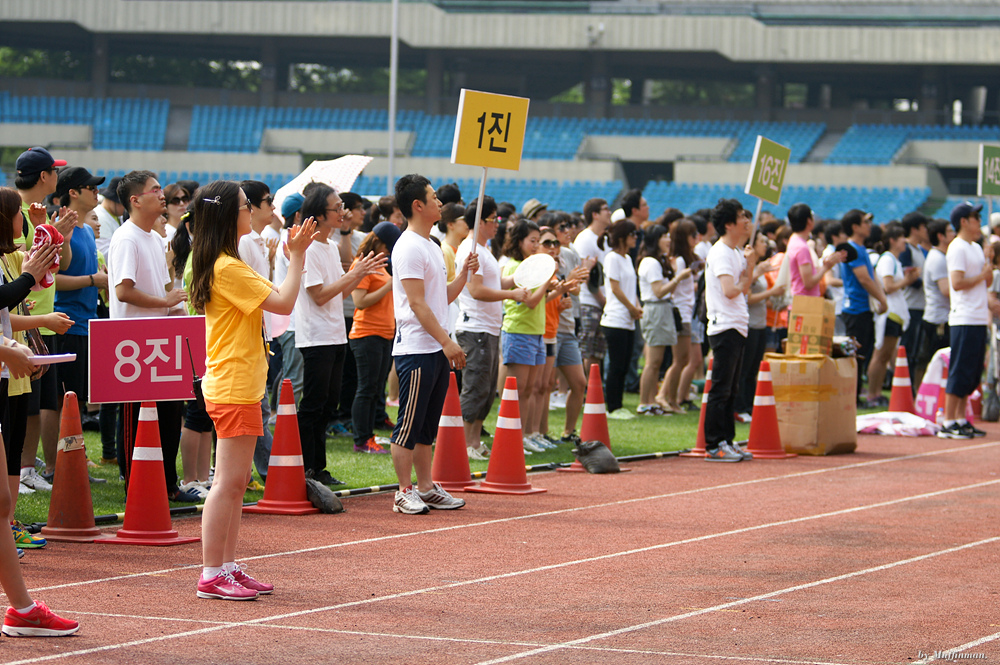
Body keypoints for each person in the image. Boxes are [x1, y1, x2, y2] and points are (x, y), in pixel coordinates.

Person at [191, 180, 318, 600]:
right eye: (246, 205)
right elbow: (283, 302)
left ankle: (226, 566)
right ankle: (211, 572)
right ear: (229, 214)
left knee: (237, 480)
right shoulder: (226, 266)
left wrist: (291, 257)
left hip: (240, 381)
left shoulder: (227, 261)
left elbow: (274, 299)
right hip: (232, 382)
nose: (251, 211)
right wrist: (297, 257)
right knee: (228, 482)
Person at [109, 171, 197, 502]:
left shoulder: (155, 238)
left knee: (169, 416)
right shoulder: (127, 238)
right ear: (135, 200)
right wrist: (165, 302)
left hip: (160, 340)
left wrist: (176, 310)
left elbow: (163, 289)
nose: (162, 195)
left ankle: (168, 484)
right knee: (139, 418)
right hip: (134, 345)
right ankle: (138, 488)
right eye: (155, 190)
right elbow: (123, 291)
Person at [389, 174, 475, 514]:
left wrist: (463, 275)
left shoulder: (432, 245)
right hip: (416, 348)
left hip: (435, 348)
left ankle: (425, 487)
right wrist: (446, 341)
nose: (440, 202)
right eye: (434, 197)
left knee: (426, 426)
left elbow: (442, 297)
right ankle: (403, 491)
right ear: (417, 205)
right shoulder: (409, 246)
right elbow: (416, 303)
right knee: (408, 425)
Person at [295, 185, 385, 486]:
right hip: (316, 336)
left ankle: (318, 468)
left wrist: (358, 274)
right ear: (319, 215)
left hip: (335, 335)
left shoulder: (331, 247)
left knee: (328, 405)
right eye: (337, 208)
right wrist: (353, 275)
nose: (343, 213)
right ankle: (305, 468)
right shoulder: (308, 248)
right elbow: (319, 295)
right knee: (313, 404)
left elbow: (340, 294)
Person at [454, 197, 526, 460]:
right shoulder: (470, 250)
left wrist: (518, 279)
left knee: (485, 390)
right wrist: (512, 295)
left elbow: (495, 284)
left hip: (489, 329)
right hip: (476, 329)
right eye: (493, 219)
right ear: (480, 222)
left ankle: (474, 440)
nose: (497, 224)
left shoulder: (484, 250)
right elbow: (476, 290)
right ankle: (464, 443)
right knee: (475, 387)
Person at [703, 199, 757, 462]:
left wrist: (752, 265)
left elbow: (743, 288)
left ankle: (727, 439)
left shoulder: (735, 252)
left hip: (737, 324)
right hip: (724, 325)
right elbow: (731, 290)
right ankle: (714, 444)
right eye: (741, 216)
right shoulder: (721, 253)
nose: (746, 220)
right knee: (721, 388)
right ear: (728, 224)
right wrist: (748, 273)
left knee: (731, 389)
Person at [938, 202, 992, 439]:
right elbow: (957, 283)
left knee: (972, 371)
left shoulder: (976, 248)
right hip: (964, 317)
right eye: (975, 217)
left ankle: (961, 419)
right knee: (959, 369)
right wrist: (982, 275)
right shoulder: (957, 247)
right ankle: (948, 421)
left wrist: (988, 264)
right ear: (963, 221)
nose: (979, 221)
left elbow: (986, 281)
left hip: (978, 317)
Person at [500, 219, 552, 453]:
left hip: (535, 332)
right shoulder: (514, 267)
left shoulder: (530, 266)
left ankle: (523, 435)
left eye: (538, 241)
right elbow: (530, 301)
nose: (536, 245)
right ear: (519, 241)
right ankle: (511, 437)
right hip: (519, 331)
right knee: (517, 390)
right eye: (532, 241)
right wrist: (547, 281)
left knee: (530, 388)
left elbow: (538, 300)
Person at [349, 222, 400, 454]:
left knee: (375, 388)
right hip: (367, 333)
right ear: (377, 241)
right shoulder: (362, 264)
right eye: (387, 247)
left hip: (383, 333)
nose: (389, 252)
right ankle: (361, 439)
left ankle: (368, 435)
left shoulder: (381, 265)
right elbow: (359, 301)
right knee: (367, 388)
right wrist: (388, 286)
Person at [637, 225, 689, 416]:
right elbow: (658, 292)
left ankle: (651, 402)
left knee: (657, 361)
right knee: (653, 361)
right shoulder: (651, 262)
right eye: (664, 236)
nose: (668, 240)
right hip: (655, 309)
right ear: (655, 240)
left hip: (662, 309)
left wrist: (673, 274)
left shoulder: (657, 261)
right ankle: (644, 403)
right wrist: (678, 277)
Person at [734, 229, 783, 422]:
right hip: (750, 324)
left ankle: (749, 405)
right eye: (762, 241)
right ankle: (740, 407)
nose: (766, 245)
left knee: (754, 369)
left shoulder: (761, 269)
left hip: (761, 323)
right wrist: (770, 293)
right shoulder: (750, 269)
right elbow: (748, 297)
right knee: (745, 369)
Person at [866, 222, 918, 407]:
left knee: (885, 356)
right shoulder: (887, 259)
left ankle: (877, 393)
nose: (905, 241)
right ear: (892, 240)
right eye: (901, 237)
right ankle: (872, 393)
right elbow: (888, 287)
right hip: (889, 313)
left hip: (894, 313)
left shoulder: (893, 260)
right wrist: (907, 280)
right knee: (881, 355)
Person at [840, 209, 888, 399]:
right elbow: (864, 279)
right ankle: (853, 396)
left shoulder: (860, 249)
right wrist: (882, 299)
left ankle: (856, 395)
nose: (869, 226)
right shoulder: (853, 249)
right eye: (865, 222)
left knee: (861, 355)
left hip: (862, 308)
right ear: (855, 227)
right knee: (855, 356)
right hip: (855, 309)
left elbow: (870, 277)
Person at [601, 219, 642, 420]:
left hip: (628, 319)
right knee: (616, 365)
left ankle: (619, 404)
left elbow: (630, 288)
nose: (635, 238)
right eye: (632, 234)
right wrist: (631, 307)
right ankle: (612, 407)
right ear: (622, 237)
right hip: (615, 318)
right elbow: (615, 288)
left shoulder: (627, 259)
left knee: (625, 365)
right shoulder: (612, 258)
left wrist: (637, 306)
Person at [657, 219, 699, 414]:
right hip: (681, 312)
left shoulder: (684, 259)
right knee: (680, 359)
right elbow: (675, 287)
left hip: (685, 312)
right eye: (693, 235)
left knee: (682, 359)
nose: (696, 238)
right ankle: (669, 398)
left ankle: (667, 397)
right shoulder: (680, 260)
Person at [573, 198, 611, 376]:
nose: (609, 212)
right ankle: (581, 386)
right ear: (595, 214)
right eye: (605, 209)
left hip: (602, 302)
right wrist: (603, 300)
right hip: (589, 302)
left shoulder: (604, 239)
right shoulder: (585, 239)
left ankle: (592, 387)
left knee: (597, 352)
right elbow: (585, 274)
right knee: (585, 350)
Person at [918, 220, 954, 374]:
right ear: (941, 236)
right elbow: (946, 290)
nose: (954, 234)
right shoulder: (938, 259)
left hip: (941, 318)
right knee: (938, 365)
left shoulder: (941, 256)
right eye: (950, 231)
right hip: (938, 320)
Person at [786, 203, 844, 298]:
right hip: (805, 301)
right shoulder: (801, 247)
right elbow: (808, 283)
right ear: (809, 221)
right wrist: (826, 267)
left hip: (800, 298)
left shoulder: (794, 240)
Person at [900, 211, 929, 388]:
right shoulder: (906, 249)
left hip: (919, 305)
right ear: (914, 229)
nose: (926, 230)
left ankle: (910, 387)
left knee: (915, 351)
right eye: (923, 227)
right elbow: (908, 277)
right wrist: (927, 284)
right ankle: (905, 386)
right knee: (908, 349)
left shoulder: (918, 250)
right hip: (910, 305)